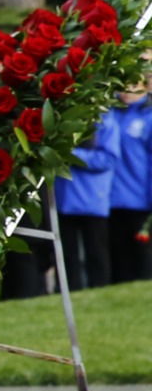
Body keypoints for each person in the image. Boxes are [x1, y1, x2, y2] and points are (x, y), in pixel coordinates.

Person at [57, 122, 114, 291]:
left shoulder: (106, 121)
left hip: (93, 200)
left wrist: (71, 154)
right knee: (67, 255)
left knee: (96, 253)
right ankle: (69, 290)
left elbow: (108, 159)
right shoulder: (64, 115)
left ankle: (101, 290)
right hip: (65, 199)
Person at [108, 80, 152, 285]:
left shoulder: (148, 115)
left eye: (132, 85)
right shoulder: (110, 111)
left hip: (139, 200)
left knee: (141, 259)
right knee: (117, 261)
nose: (126, 91)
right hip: (109, 200)